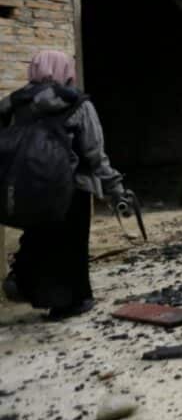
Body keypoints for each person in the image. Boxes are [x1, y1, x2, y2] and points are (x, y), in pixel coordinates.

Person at [0, 50, 126, 319]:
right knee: (71, 246)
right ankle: (71, 302)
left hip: (27, 187)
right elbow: (95, 154)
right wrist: (115, 190)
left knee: (38, 237)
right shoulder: (78, 105)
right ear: (66, 70)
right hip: (72, 188)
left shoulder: (14, 103)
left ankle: (28, 286)